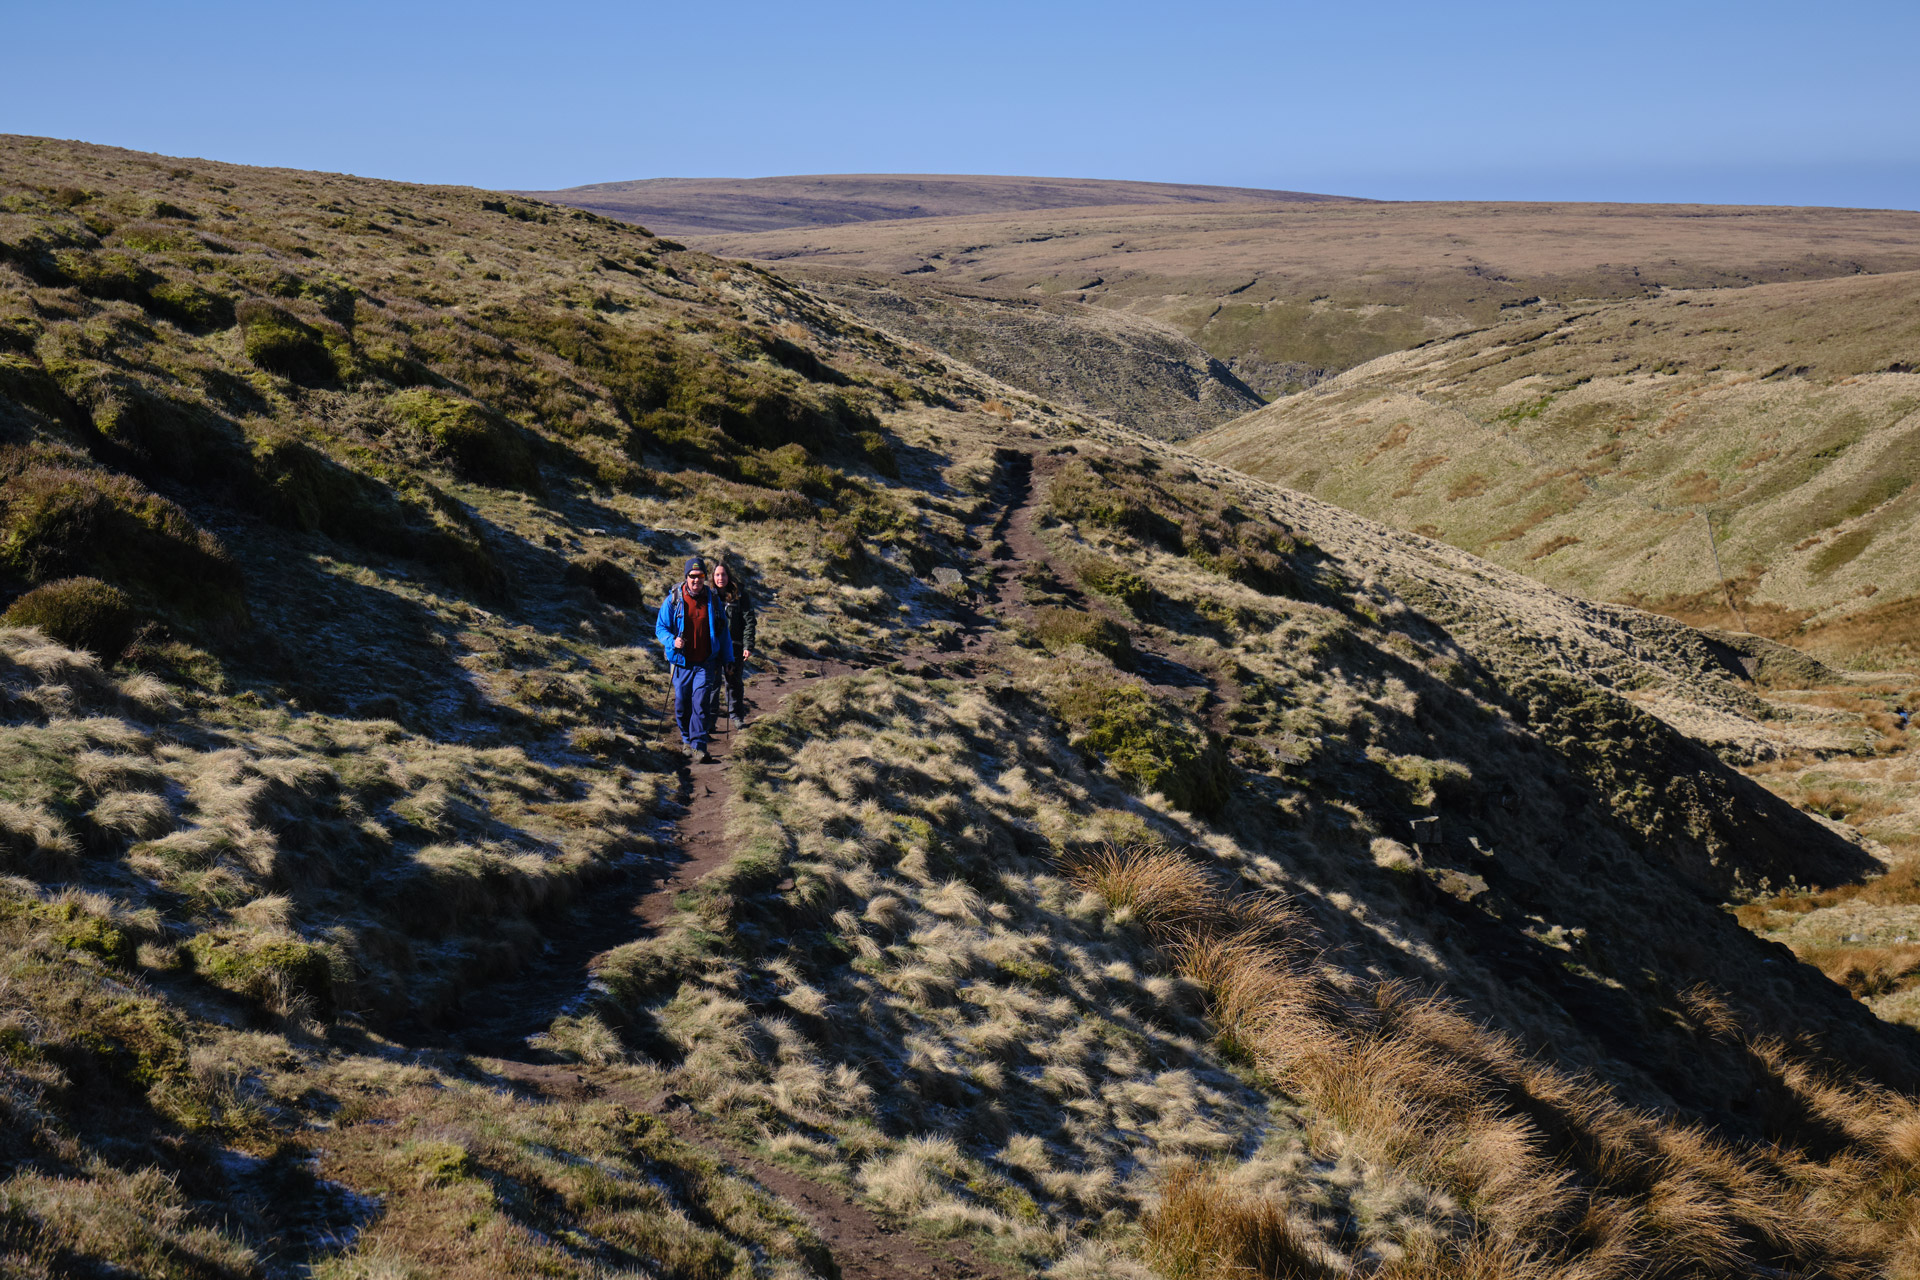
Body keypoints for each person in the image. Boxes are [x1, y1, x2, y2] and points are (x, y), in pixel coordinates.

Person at [655, 557, 733, 763]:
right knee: (682, 703)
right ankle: (687, 739)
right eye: (692, 576)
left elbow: (723, 633)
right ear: (686, 577)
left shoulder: (713, 600)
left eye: (700, 577)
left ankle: (698, 745)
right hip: (681, 662)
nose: (696, 580)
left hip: (705, 662)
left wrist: (728, 659)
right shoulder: (674, 599)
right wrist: (672, 641)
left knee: (700, 702)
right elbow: (660, 628)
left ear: (705, 578)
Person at [711, 559, 757, 724]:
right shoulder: (709, 596)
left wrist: (748, 645)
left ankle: (737, 717)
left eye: (723, 574)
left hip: (735, 647)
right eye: (717, 574)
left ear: (729, 576)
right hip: (714, 648)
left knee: (734, 683)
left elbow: (749, 621)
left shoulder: (740, 595)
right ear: (713, 577)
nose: (720, 578)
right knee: (713, 684)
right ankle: (710, 721)